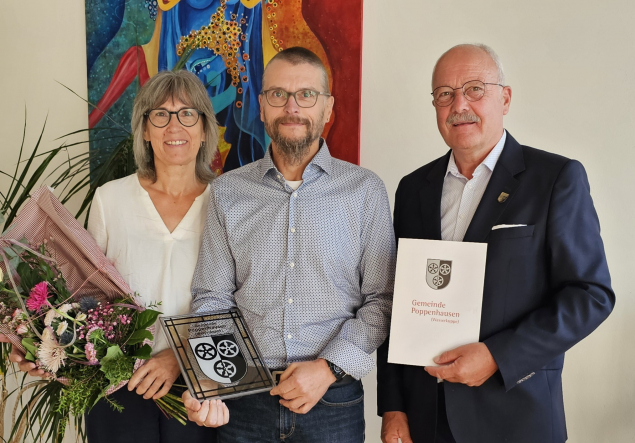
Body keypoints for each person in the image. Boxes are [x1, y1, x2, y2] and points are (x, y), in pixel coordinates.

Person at [377, 43, 615, 443]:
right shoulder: (413, 188)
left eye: (475, 89)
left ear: (504, 97)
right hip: (425, 421)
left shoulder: (555, 178)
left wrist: (498, 356)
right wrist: (394, 407)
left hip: (515, 417)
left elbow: (591, 294)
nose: (459, 105)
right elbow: (395, 300)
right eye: (445, 94)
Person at [182, 46, 396, 443]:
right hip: (244, 401)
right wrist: (215, 378)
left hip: (333, 401)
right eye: (278, 94)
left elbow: (381, 301)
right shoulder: (228, 192)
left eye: (306, 95)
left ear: (327, 108)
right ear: (262, 107)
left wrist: (328, 368)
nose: (292, 107)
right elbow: (212, 297)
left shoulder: (365, 191)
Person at [3, 70, 228, 442]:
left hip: (199, 385)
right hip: (116, 381)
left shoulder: (228, 202)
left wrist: (179, 357)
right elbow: (83, 293)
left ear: (205, 129)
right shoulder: (111, 199)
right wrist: (40, 342)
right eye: (160, 114)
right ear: (144, 129)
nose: (175, 125)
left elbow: (239, 298)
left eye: (188, 114)